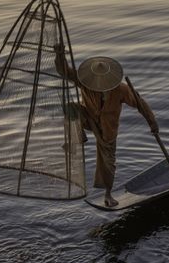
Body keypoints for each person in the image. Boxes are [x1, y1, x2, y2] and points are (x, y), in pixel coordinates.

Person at [54, 44, 158, 207]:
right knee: (70, 107)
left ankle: (108, 194)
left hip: (108, 129)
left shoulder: (121, 90)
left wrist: (153, 123)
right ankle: (77, 138)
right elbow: (64, 71)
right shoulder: (85, 83)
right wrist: (59, 55)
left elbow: (140, 104)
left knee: (108, 162)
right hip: (88, 118)